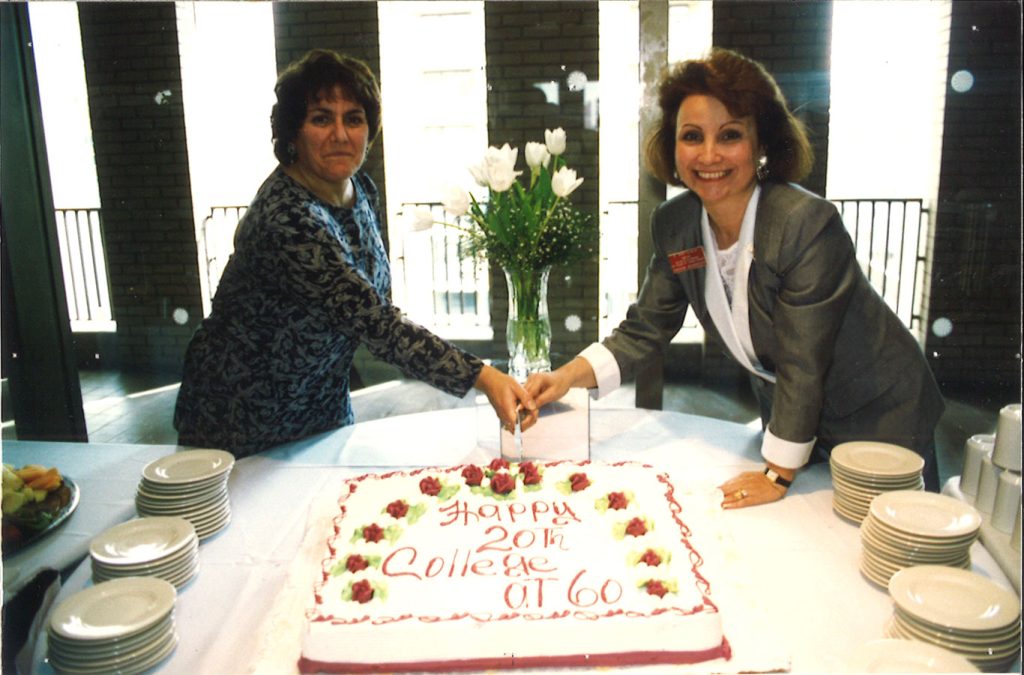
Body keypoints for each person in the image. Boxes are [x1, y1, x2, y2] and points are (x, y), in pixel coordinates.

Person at [525, 48, 944, 508]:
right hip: (794, 418)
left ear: (761, 142)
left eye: (729, 135)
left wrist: (779, 475)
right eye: (691, 136)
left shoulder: (805, 223)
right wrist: (565, 377)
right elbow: (645, 329)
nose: (708, 155)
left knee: (889, 546)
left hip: (880, 414)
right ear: (672, 146)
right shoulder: (676, 224)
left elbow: (803, 362)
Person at [174, 49, 535, 457]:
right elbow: (374, 320)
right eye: (321, 118)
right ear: (293, 131)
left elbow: (371, 302)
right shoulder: (286, 217)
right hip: (240, 418)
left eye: (354, 119)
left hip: (320, 407)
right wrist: (482, 376)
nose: (341, 135)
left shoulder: (361, 188)